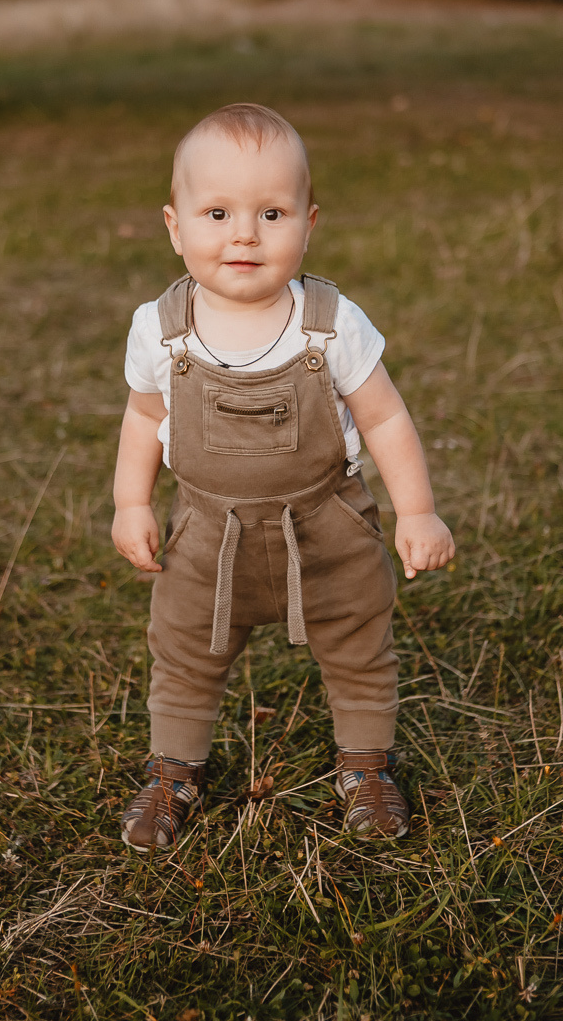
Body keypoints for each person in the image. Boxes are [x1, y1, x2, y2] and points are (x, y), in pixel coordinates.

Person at [112, 103, 454, 852]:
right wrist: (130, 500)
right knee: (183, 654)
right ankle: (174, 770)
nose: (244, 234)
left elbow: (388, 418)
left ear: (309, 222)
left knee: (359, 643)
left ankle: (366, 764)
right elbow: (143, 418)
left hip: (325, 525)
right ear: (174, 226)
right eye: (217, 212)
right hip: (205, 534)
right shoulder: (159, 328)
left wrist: (416, 511)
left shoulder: (330, 324)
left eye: (271, 212)